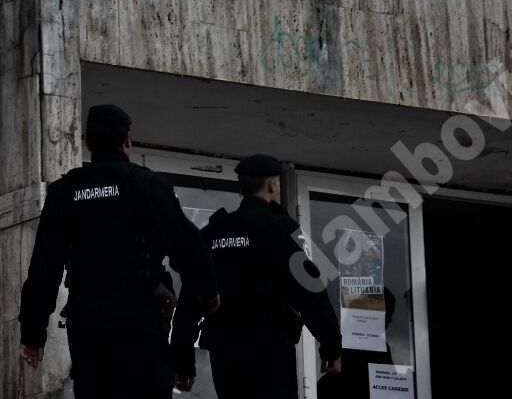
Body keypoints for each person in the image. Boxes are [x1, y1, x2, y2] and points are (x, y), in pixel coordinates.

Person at [18, 104, 219, 399]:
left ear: (87, 141)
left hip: (87, 324)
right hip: (139, 321)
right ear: (127, 139)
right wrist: (208, 291)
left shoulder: (65, 192)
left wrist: (33, 333)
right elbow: (187, 246)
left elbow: (44, 268)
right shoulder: (147, 185)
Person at [172, 154, 342, 398]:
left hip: (226, 354)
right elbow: (310, 291)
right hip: (270, 351)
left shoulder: (214, 233)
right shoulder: (279, 229)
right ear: (272, 184)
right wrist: (331, 346)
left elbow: (190, 299)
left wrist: (183, 362)